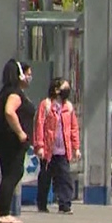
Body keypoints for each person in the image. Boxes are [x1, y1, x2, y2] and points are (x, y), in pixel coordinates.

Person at [0, 59, 35, 223]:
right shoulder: (15, 93)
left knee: (8, 172)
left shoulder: (5, 91)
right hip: (11, 139)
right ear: (20, 75)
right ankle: (4, 212)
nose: (30, 77)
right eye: (28, 74)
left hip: (0, 137)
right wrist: (20, 132)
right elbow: (9, 112)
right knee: (14, 173)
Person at [33, 77, 80, 214]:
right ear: (56, 89)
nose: (67, 90)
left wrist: (76, 147)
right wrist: (40, 145)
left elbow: (73, 128)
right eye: (65, 87)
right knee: (45, 177)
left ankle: (65, 205)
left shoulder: (68, 107)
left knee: (64, 177)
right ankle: (42, 203)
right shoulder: (46, 105)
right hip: (48, 149)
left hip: (63, 150)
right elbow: (40, 125)